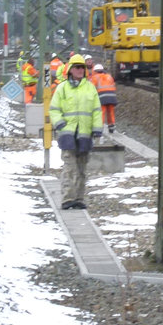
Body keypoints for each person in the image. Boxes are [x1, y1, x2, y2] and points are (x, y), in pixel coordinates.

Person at [49, 54, 104, 210]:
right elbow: (54, 109)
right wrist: (61, 125)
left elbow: (96, 110)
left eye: (83, 67)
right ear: (71, 70)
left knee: (81, 167)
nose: (81, 70)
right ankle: (68, 198)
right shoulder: (62, 88)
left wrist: (97, 128)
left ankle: (79, 198)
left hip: (84, 134)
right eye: (77, 67)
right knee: (69, 167)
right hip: (68, 133)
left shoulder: (90, 88)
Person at [91, 63, 118, 134]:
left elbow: (92, 89)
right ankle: (111, 127)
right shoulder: (109, 76)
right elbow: (113, 85)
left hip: (102, 97)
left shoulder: (95, 77)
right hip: (112, 97)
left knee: (101, 112)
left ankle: (100, 128)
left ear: (95, 71)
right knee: (110, 112)